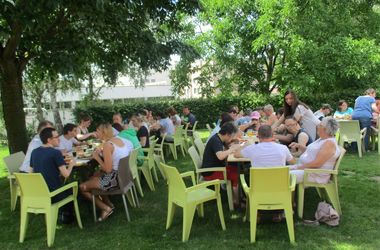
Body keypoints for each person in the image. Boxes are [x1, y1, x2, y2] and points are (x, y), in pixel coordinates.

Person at [80, 123, 133, 221]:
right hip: (125, 176)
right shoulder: (118, 140)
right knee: (93, 177)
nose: (96, 133)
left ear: (103, 132)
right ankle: (109, 203)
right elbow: (115, 157)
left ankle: (105, 208)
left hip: (114, 180)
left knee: (82, 187)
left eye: (97, 131)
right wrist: (102, 153)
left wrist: (97, 158)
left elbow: (108, 170)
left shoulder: (108, 145)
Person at [30, 127, 75, 223]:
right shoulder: (55, 153)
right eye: (56, 137)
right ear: (49, 140)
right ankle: (66, 217)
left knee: (63, 185)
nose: (59, 138)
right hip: (53, 194)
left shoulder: (34, 152)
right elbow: (66, 174)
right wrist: (71, 164)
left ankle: (61, 213)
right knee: (72, 188)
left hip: (40, 193)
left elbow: (31, 174)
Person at [289, 117, 341, 184]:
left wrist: (297, 167)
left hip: (314, 174)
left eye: (320, 125)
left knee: (281, 175)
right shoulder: (322, 139)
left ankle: (283, 193)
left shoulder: (329, 143)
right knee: (279, 170)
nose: (318, 126)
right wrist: (299, 146)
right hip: (308, 170)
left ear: (326, 129)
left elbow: (317, 164)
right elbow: (311, 152)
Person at [201, 122, 240, 206]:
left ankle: (235, 197)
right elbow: (220, 156)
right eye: (232, 136)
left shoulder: (218, 137)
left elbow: (224, 147)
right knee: (236, 174)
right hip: (210, 172)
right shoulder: (216, 141)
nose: (232, 138)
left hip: (215, 168)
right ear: (227, 134)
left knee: (236, 169)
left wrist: (232, 142)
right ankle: (236, 201)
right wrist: (231, 149)